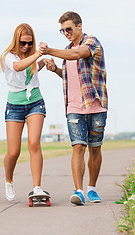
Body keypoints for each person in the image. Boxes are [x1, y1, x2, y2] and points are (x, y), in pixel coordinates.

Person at [39, 11, 107, 205]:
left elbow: (78, 54)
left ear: (79, 26)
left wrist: (49, 50)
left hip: (95, 105)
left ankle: (92, 189)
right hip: (74, 106)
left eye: (68, 29)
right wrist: (55, 70)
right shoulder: (67, 50)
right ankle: (79, 191)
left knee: (95, 148)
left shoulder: (92, 42)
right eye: (62, 30)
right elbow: (70, 76)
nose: (66, 33)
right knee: (78, 146)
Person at [0, 23, 51, 201]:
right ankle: (8, 181)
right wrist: (39, 55)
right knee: (13, 152)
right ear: (16, 40)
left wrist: (45, 61)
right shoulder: (7, 56)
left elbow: (34, 67)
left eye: (30, 43)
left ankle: (37, 187)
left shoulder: (32, 55)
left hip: (35, 102)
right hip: (14, 106)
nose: (26, 46)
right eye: (23, 43)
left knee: (34, 143)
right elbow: (18, 67)